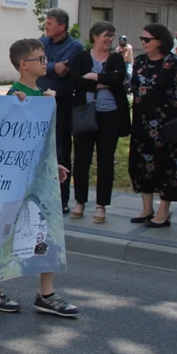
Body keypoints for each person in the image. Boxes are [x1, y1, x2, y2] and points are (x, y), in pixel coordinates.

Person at [0, 38, 79, 320]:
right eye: (40, 59)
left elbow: (40, 139)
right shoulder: (15, 96)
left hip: (38, 176)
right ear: (23, 65)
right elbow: (7, 141)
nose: (46, 63)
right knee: (6, 230)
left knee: (48, 228)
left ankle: (47, 293)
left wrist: (51, 164)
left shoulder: (41, 94)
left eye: (44, 58)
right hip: (14, 179)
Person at [128, 24, 177, 227]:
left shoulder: (175, 63)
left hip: (168, 127)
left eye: (147, 39)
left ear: (160, 41)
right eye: (142, 38)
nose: (143, 42)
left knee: (167, 167)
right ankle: (147, 209)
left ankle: (164, 212)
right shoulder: (140, 62)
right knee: (142, 167)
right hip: (142, 124)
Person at [68, 21, 130, 223]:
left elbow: (119, 79)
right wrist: (104, 81)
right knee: (82, 159)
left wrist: (95, 76)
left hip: (109, 114)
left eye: (112, 36)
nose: (109, 39)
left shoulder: (116, 58)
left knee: (105, 160)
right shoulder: (82, 57)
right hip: (85, 113)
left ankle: (101, 205)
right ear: (94, 36)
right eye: (106, 35)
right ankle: (79, 201)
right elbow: (76, 81)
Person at [38, 7, 84, 214]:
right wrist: (52, 66)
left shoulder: (75, 47)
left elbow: (65, 72)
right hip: (39, 101)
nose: (45, 27)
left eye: (49, 23)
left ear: (62, 26)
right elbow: (35, 64)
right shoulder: (42, 42)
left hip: (62, 105)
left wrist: (47, 66)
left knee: (61, 151)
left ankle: (62, 198)